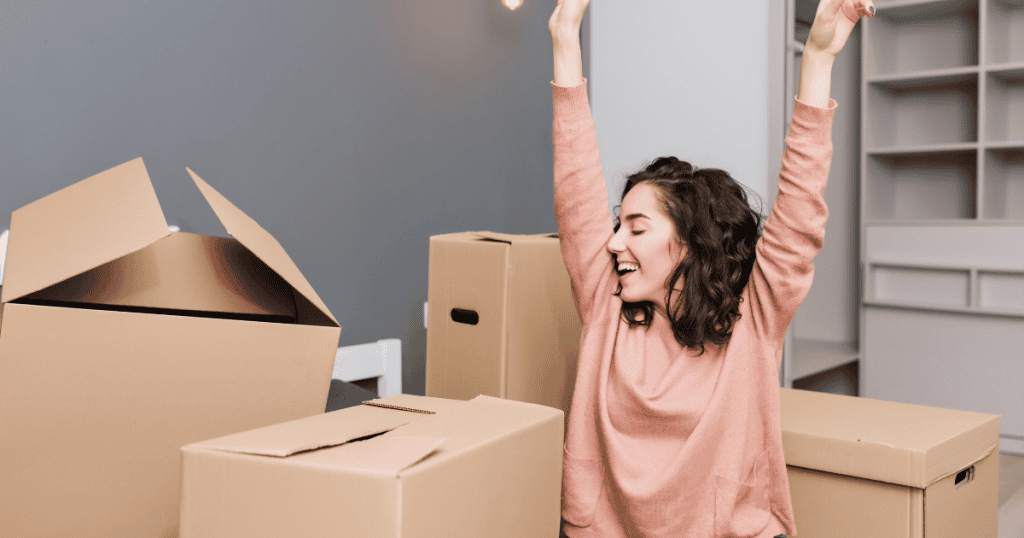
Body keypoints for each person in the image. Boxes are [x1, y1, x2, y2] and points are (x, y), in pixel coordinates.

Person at [549, 0, 874, 536]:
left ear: (688, 243)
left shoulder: (753, 320)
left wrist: (817, 57)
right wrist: (565, 35)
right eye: (616, 223)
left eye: (637, 227)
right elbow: (575, 182)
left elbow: (799, 209)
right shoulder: (604, 304)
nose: (611, 243)